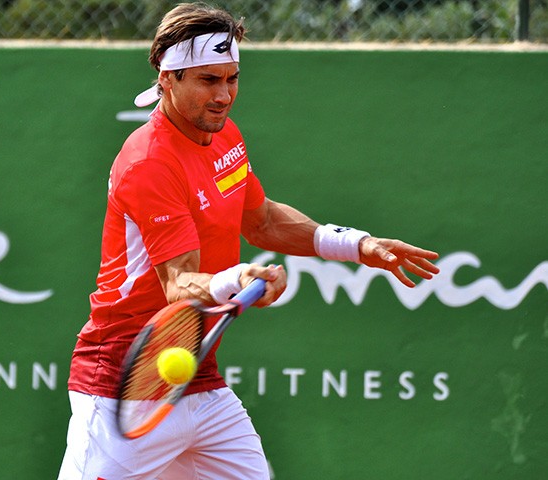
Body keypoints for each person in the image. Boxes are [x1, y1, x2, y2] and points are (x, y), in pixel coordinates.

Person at [57, 3, 440, 479]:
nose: (223, 96)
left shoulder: (223, 136)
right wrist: (236, 279)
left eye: (231, 79)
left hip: (196, 375)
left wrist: (355, 245)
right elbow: (179, 284)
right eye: (207, 80)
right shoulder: (148, 164)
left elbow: (260, 221)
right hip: (122, 386)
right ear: (167, 78)